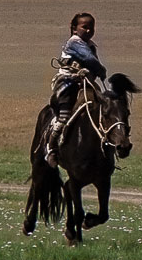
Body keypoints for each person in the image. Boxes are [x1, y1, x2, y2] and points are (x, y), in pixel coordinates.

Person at [43, 12, 105, 165]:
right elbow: (89, 60)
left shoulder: (91, 46)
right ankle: (52, 147)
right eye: (85, 27)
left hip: (84, 83)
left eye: (92, 27)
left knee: (102, 107)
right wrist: (101, 70)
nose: (89, 30)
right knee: (64, 116)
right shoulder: (74, 42)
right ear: (74, 29)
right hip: (67, 83)